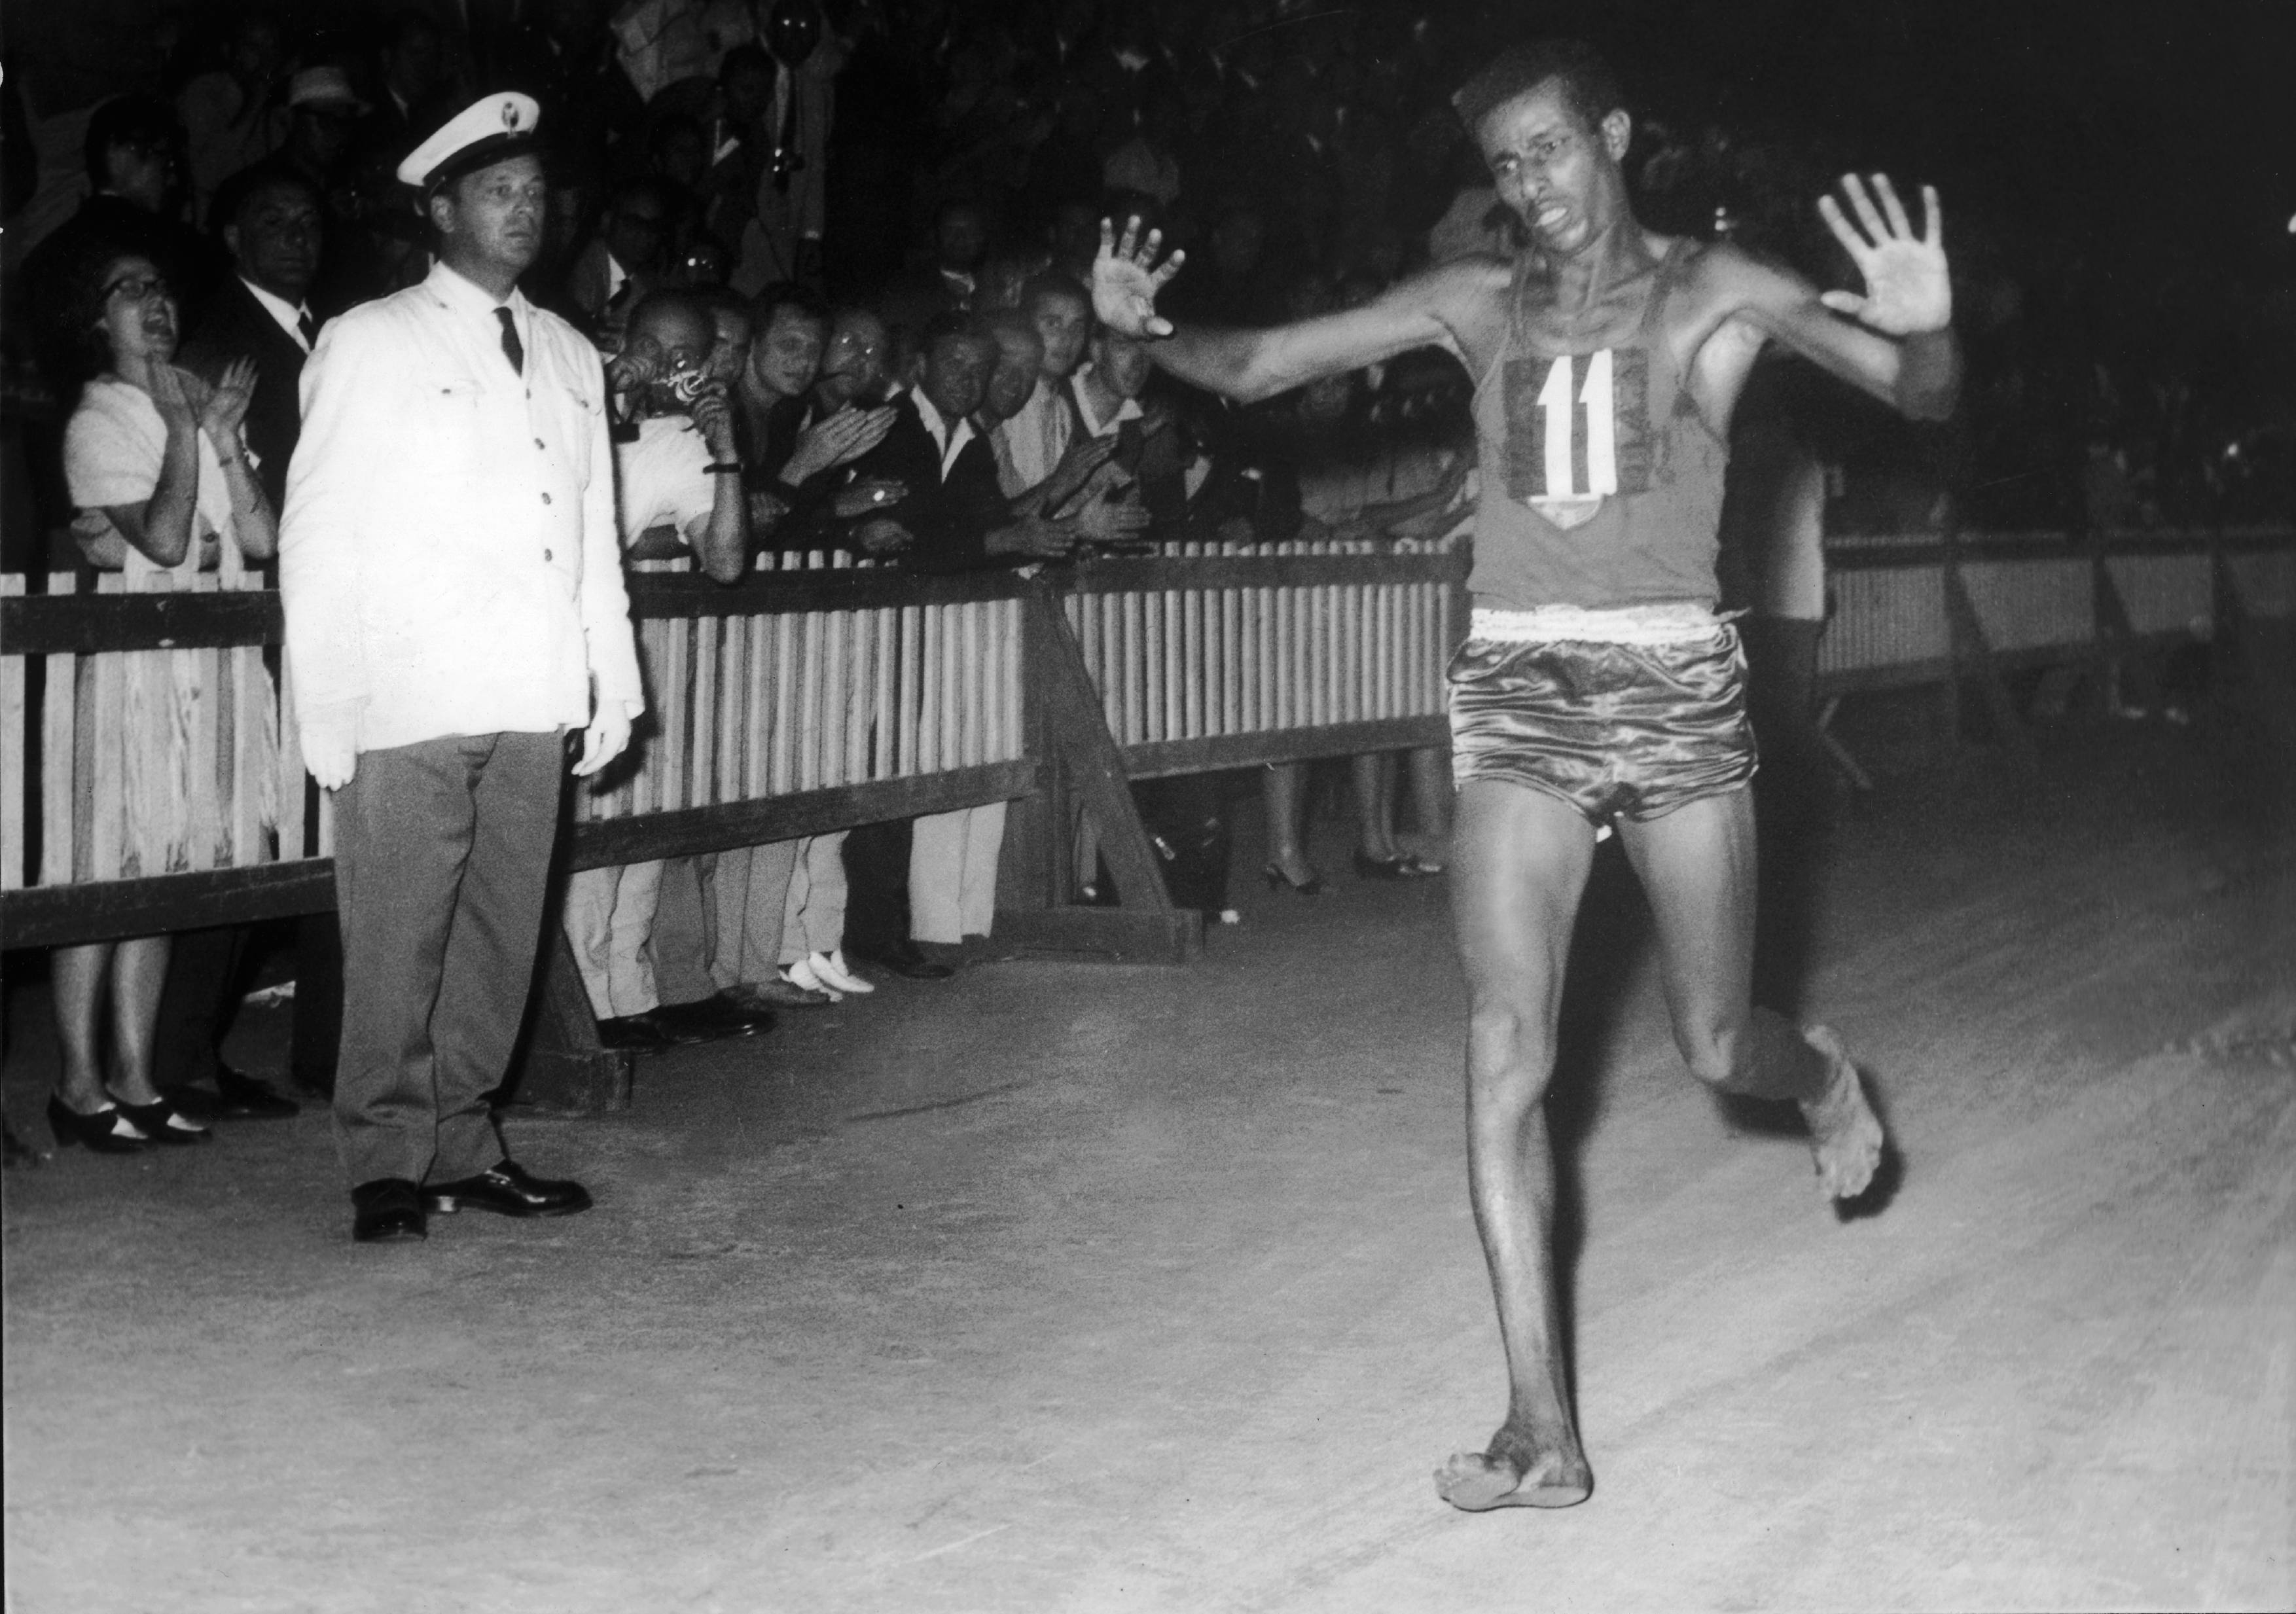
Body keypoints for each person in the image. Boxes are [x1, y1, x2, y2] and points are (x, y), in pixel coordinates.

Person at [1093, 37, 1952, 1509]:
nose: (1529, 184)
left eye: (1549, 149)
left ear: (1612, 136)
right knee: (1503, 1048)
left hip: (1674, 688)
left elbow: (1912, 394)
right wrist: (1136, 330)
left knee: (1712, 1046)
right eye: (1503, 164)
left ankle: (1814, 1080)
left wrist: (1928, 330)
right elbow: (1253, 364)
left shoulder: (1713, 288)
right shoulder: (1470, 304)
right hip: (1513, 690)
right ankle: (1537, 1427)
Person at [280, 93, 643, 1245]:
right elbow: (319, 533)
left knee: (499, 932)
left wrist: (611, 680)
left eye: (536, 193)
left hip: (530, 687)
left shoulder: (570, 351)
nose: (523, 211)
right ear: (438, 208)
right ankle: (387, 1159)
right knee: (399, 933)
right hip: (411, 691)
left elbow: (590, 533)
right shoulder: (372, 339)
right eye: (498, 191)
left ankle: (465, 1140)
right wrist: (325, 701)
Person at [50, 240, 277, 1153]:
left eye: (161, 286)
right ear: (96, 321)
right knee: (106, 871)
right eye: (127, 287)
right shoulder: (97, 422)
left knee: (160, 877)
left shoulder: (194, 399)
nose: (153, 300)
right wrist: (186, 435)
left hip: (208, 670)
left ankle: (137, 1074)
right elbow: (170, 536)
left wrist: (224, 441)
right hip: (133, 672)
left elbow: (257, 538)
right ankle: (75, 1081)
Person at [149, 164, 332, 1125]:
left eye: (308, 218)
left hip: (312, 606)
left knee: (291, 832)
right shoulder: (224, 338)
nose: (297, 235)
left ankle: (245, 1054)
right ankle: (180, 1059)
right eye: (273, 220)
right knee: (239, 833)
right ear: (232, 237)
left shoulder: (323, 329)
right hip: (250, 611)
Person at [562, 289, 777, 1049]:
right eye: (656, 348)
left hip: (625, 649)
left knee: (641, 823)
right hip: (549, 644)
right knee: (588, 835)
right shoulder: (565, 389)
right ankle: (586, 1001)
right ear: (619, 335)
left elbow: (723, 560)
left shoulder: (682, 440)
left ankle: (629, 992)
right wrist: (612, 383)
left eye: (689, 356)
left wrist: (725, 452)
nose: (672, 369)